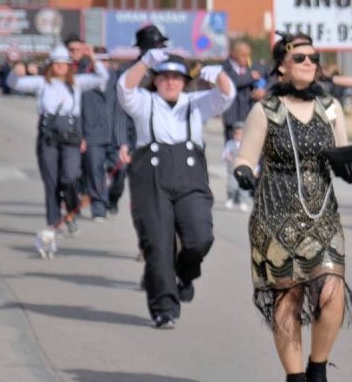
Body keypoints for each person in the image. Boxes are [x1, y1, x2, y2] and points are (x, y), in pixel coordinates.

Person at [232, 32, 352, 382]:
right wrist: (243, 172)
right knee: (287, 298)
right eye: (300, 57)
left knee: (332, 293)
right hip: (275, 213)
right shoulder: (266, 110)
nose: (309, 62)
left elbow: (341, 155)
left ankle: (317, 368)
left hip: (322, 212)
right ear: (282, 66)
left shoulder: (331, 107)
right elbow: (245, 157)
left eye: (313, 57)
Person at [118, 46, 234, 328]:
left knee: (200, 237)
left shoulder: (195, 102)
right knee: (158, 244)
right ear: (155, 80)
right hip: (151, 177)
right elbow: (124, 89)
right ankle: (164, 308)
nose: (170, 82)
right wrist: (144, 62)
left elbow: (226, 95)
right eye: (164, 77)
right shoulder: (144, 102)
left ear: (184, 81)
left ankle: (185, 273)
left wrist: (220, 75)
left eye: (176, 77)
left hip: (189, 177)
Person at [11, 45, 111, 237]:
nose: (60, 66)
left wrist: (92, 58)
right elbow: (14, 83)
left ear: (69, 65)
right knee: (51, 182)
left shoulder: (77, 82)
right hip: (48, 138)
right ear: (50, 65)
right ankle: (54, 222)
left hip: (71, 138)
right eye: (56, 63)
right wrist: (16, 68)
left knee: (70, 177)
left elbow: (102, 77)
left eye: (64, 63)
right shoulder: (42, 83)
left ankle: (71, 211)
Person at [73, 40, 129, 220]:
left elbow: (122, 112)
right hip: (92, 135)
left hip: (116, 136)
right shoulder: (82, 81)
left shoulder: (118, 81)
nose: (102, 64)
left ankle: (112, 198)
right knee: (95, 172)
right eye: (98, 60)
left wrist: (124, 142)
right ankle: (99, 208)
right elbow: (77, 111)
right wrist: (80, 136)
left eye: (105, 61)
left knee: (121, 170)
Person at [219, 40, 265, 142]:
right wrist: (250, 77)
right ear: (234, 55)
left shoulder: (250, 65)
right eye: (243, 55)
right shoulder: (225, 67)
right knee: (232, 147)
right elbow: (231, 83)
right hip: (232, 116)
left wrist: (260, 90)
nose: (247, 58)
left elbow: (264, 74)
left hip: (248, 114)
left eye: (248, 55)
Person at [222, 122, 250, 210]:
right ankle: (231, 198)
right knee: (232, 186)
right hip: (232, 170)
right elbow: (225, 154)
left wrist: (255, 168)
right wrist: (226, 156)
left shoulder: (247, 145)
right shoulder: (230, 144)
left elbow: (251, 156)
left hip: (244, 170)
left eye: (241, 134)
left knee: (243, 187)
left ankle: (243, 201)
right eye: (236, 134)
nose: (238, 136)